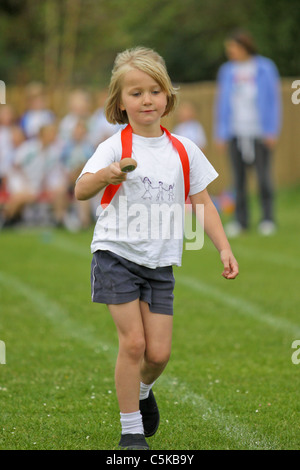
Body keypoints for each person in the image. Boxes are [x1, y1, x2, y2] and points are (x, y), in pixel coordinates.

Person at [75, 47, 239, 450]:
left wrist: (223, 247)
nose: (146, 99)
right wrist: (108, 174)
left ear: (168, 95)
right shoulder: (116, 145)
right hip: (116, 254)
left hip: (160, 262)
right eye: (135, 93)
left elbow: (202, 202)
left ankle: (144, 391)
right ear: (120, 102)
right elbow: (80, 189)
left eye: (154, 90)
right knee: (133, 344)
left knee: (159, 354)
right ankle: (131, 431)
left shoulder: (184, 150)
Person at [214, 29, 281, 237]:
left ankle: (268, 219)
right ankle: (241, 221)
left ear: (243, 47)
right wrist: (221, 131)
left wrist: (271, 130)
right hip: (235, 132)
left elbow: (273, 100)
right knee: (238, 179)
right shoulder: (227, 71)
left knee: (263, 178)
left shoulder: (265, 68)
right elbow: (221, 103)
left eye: (232, 47)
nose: (229, 52)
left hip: (260, 132)